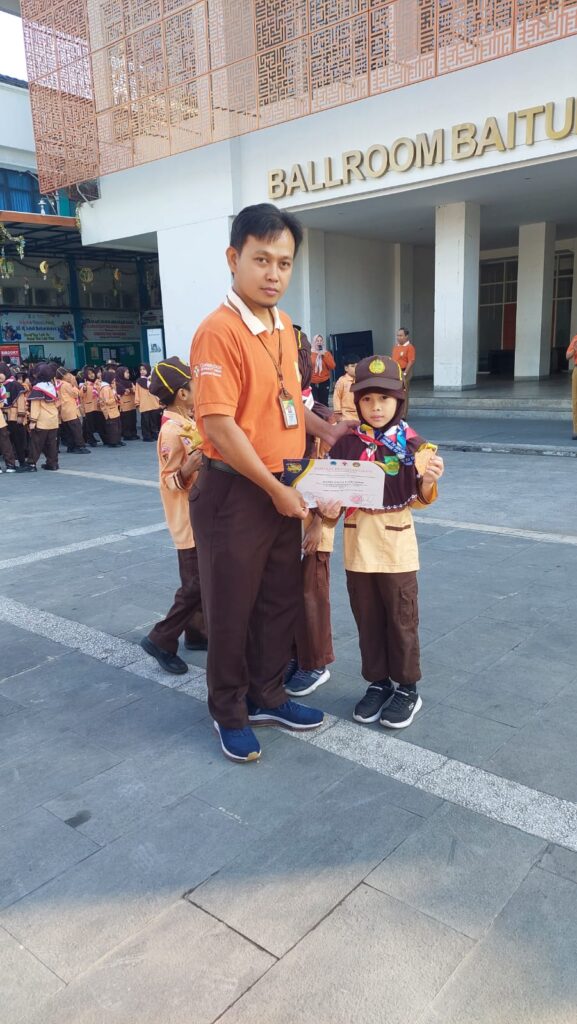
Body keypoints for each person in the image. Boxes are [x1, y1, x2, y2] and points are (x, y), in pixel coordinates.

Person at [189, 203, 353, 764]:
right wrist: (275, 489)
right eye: (261, 260)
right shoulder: (218, 331)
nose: (274, 274)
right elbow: (219, 425)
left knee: (278, 600)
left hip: (284, 485)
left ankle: (267, 694)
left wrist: (323, 429)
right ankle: (228, 710)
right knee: (231, 607)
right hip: (235, 491)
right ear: (234, 259)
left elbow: (284, 400)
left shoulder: (283, 327)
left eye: (284, 263)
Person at [328, 355, 444, 730]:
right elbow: (331, 495)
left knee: (401, 619)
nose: (376, 407)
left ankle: (408, 688)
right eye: (367, 399)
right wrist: (325, 508)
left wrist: (428, 480)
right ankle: (378, 683)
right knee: (368, 619)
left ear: (400, 400)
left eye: (384, 398)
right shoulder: (346, 443)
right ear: (356, 401)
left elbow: (421, 497)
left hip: (397, 551)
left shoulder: (414, 445)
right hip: (357, 550)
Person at [140, 357, 208, 673]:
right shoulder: (171, 430)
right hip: (188, 521)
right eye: (195, 385)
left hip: (198, 516)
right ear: (182, 393)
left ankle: (196, 634)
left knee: (195, 582)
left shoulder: (186, 421)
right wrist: (187, 469)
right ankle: (161, 638)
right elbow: (167, 480)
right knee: (196, 585)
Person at [284, 510, 335, 697]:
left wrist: (318, 522)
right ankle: (295, 657)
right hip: (287, 527)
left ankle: (316, 665)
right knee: (288, 599)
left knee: (312, 599)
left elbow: (331, 494)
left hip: (313, 529)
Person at [26, 362, 60, 471]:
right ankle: (53, 464)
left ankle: (31, 464)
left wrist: (32, 421)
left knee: (36, 443)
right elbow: (58, 404)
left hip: (42, 421)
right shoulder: (52, 386)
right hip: (53, 419)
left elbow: (35, 407)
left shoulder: (38, 388)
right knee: (52, 444)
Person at [56, 368, 91, 454]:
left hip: (65, 410)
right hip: (71, 410)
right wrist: (74, 385)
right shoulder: (66, 384)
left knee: (69, 430)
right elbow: (76, 394)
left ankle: (71, 447)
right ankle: (80, 446)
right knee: (77, 429)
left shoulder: (58, 384)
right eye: (67, 374)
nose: (70, 376)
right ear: (63, 376)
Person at [1, 365, 29, 470]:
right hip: (6, 418)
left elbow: (20, 401)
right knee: (9, 442)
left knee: (17, 441)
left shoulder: (14, 385)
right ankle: (13, 463)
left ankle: (20, 462)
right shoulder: (3, 385)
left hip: (12, 417)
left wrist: (20, 415)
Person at [392, 327, 416, 415]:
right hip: (396, 372)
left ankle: (403, 415)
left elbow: (411, 361)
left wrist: (405, 373)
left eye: (401, 335)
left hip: (404, 372)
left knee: (404, 393)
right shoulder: (396, 347)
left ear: (406, 336)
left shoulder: (410, 347)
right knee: (396, 393)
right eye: (397, 335)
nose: (398, 337)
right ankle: (396, 413)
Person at [135, 363, 161, 441]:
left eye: (144, 369)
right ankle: (147, 436)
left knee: (154, 421)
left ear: (148, 369)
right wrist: (137, 402)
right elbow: (137, 392)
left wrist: (160, 400)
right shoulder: (139, 381)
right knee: (145, 422)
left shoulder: (152, 379)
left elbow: (157, 390)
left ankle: (154, 434)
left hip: (154, 403)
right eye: (140, 369)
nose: (142, 371)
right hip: (144, 404)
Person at [99, 370, 125, 447]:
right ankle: (113, 442)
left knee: (117, 426)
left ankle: (117, 440)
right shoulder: (106, 388)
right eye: (113, 378)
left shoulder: (109, 387)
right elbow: (107, 401)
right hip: (109, 411)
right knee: (112, 428)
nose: (114, 379)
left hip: (114, 410)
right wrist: (116, 398)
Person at [310, 334, 335, 406]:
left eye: (321, 341)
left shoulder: (327, 353)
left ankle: (324, 413)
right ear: (314, 342)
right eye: (317, 341)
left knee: (324, 402)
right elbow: (307, 367)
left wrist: (324, 356)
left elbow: (332, 366)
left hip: (324, 381)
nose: (319, 342)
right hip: (312, 381)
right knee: (315, 403)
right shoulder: (309, 353)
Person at [116, 366, 139, 440]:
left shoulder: (130, 382)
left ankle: (134, 433)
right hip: (124, 406)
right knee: (126, 421)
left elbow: (134, 390)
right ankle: (127, 435)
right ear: (121, 373)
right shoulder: (118, 383)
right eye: (126, 373)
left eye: (128, 372)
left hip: (132, 405)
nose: (128, 374)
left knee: (133, 420)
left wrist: (129, 390)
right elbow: (124, 392)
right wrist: (129, 390)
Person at [566, 334, 577, 440]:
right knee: (575, 401)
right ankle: (576, 430)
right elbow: (567, 356)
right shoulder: (576, 338)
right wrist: (574, 349)